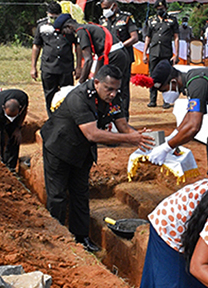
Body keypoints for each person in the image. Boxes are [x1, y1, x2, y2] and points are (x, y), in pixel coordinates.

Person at [40, 65, 154, 252]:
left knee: (80, 194)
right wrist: (130, 139)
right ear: (97, 83)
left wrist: (142, 139)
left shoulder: (114, 98)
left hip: (82, 151)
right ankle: (58, 240)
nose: (112, 94)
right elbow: (92, 134)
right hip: (59, 147)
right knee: (58, 195)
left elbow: (123, 126)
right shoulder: (79, 97)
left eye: (116, 89)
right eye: (109, 89)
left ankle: (81, 237)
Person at [31, 2, 75, 116]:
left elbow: (78, 45)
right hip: (48, 67)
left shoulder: (69, 26)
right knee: (50, 94)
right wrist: (33, 67)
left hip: (65, 67)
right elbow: (36, 46)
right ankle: (52, 118)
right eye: (51, 17)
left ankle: (66, 117)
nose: (53, 20)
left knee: (67, 94)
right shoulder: (42, 26)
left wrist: (79, 66)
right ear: (47, 14)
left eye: (56, 17)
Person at [99, 0, 138, 119]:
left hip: (123, 59)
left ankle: (123, 117)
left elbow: (134, 38)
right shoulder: (103, 20)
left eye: (106, 8)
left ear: (114, 6)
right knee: (107, 86)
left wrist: (121, 45)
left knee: (122, 88)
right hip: (108, 59)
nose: (104, 11)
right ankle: (108, 115)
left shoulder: (126, 18)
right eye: (103, 8)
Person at [143, 0, 179, 109]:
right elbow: (148, 38)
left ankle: (166, 100)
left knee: (167, 76)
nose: (160, 10)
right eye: (158, 9)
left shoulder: (172, 20)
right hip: (154, 52)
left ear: (166, 8)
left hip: (166, 52)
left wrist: (176, 54)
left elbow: (176, 37)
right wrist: (144, 53)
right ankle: (152, 100)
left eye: (162, 8)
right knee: (152, 76)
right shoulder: (151, 20)